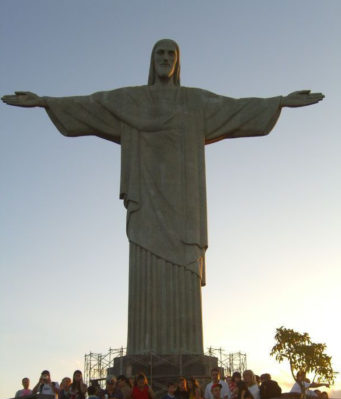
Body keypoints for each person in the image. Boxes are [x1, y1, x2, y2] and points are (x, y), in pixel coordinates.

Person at [2, 40, 324, 358]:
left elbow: (236, 108)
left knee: (184, 269)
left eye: (172, 54)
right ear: (151, 59)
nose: (165, 58)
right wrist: (44, 101)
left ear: (178, 63)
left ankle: (186, 351)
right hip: (145, 203)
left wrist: (280, 102)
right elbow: (92, 105)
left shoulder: (194, 102)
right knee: (145, 265)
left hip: (185, 208)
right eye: (160, 52)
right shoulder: (132, 101)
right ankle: (144, 349)